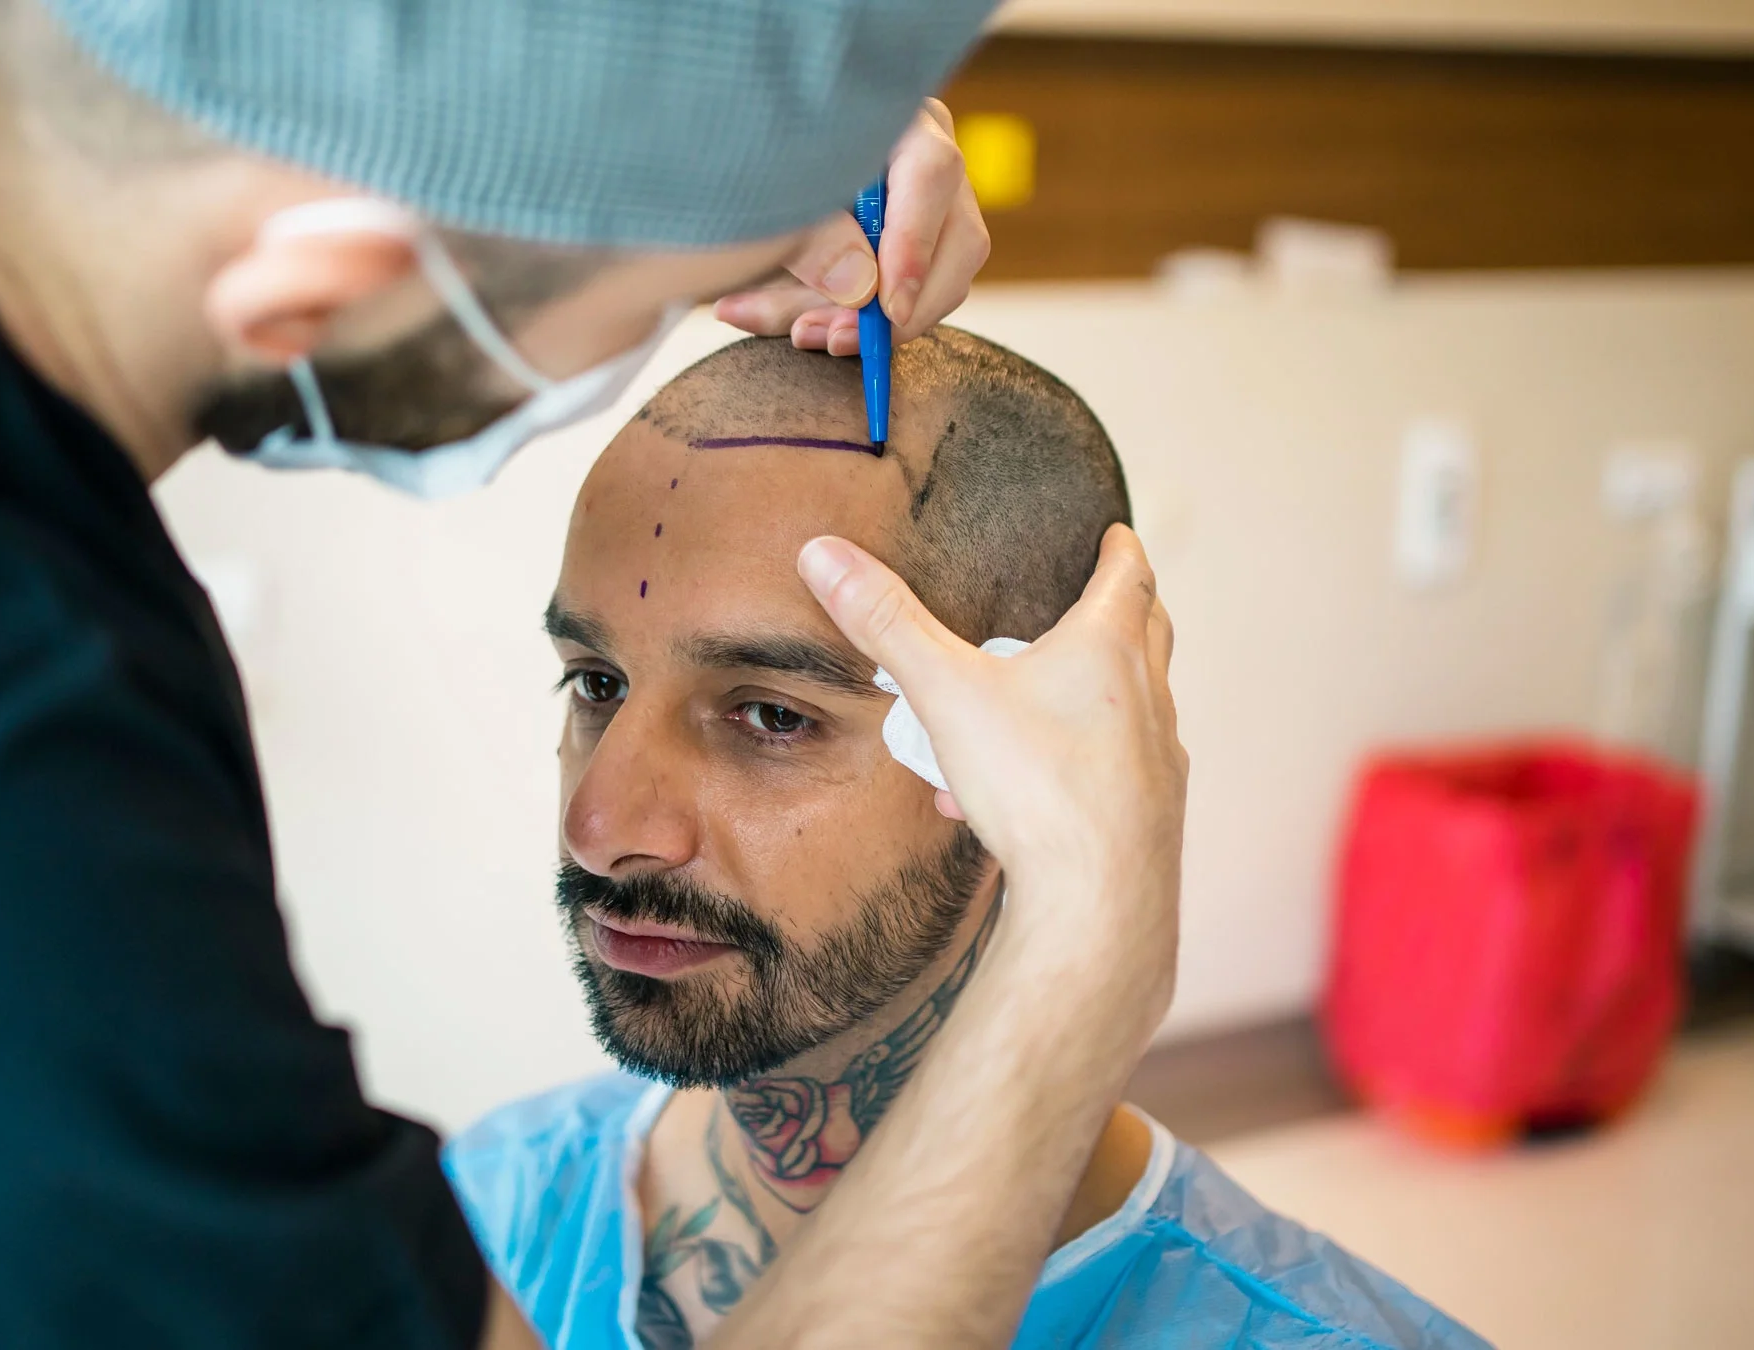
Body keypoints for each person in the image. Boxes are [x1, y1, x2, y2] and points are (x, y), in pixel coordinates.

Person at [0, 1, 1192, 1347]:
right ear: (318, 274)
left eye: (769, 712)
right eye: (624, 320)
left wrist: (665, 146)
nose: (605, 822)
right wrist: (1086, 943)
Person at [444, 331, 1488, 1350]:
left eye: (770, 715)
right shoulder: (476, 1216)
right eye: (596, 685)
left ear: (1034, 746)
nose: (601, 830)